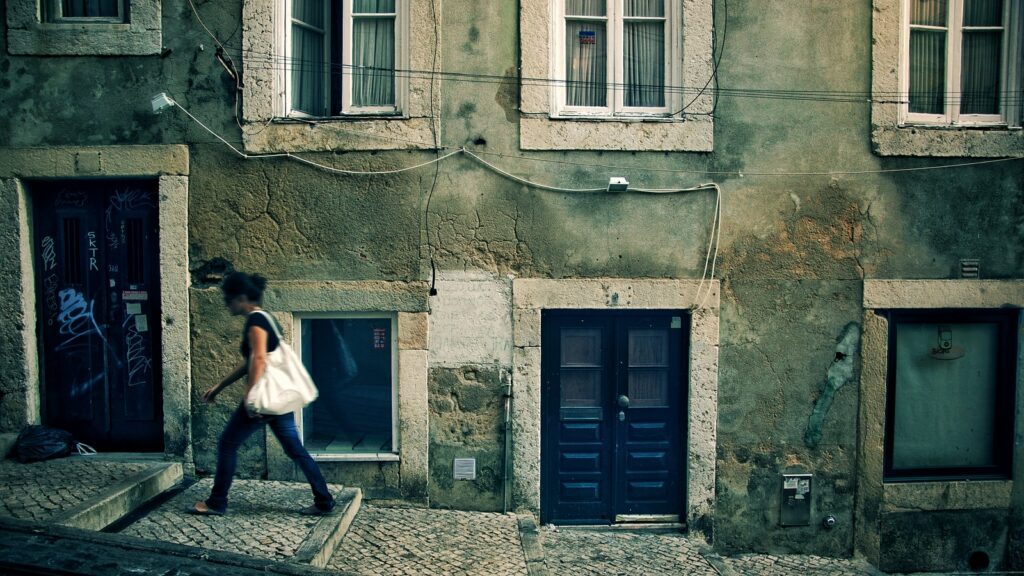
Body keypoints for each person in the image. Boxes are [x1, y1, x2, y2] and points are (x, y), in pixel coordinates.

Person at [193, 272, 335, 516]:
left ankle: (217, 501)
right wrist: (220, 385)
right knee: (295, 449)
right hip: (277, 401)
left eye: (229, 300)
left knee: (227, 444)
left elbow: (258, 359)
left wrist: (250, 396)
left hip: (263, 400)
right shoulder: (268, 319)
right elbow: (252, 360)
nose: (227, 305)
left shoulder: (255, 322)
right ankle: (324, 501)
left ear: (242, 298)